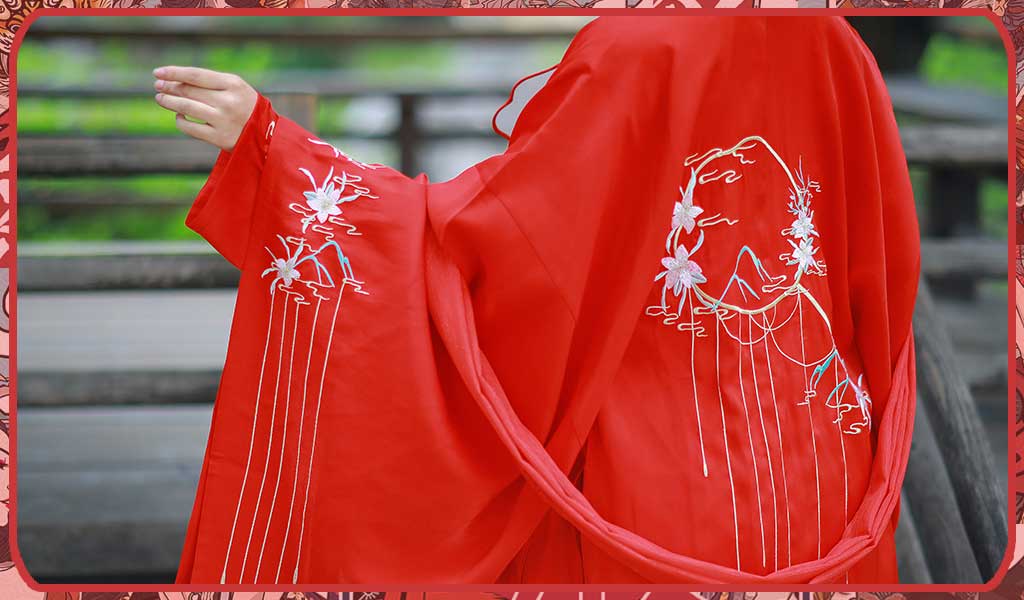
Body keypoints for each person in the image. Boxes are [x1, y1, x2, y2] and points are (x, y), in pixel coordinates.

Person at [154, 16, 920, 584]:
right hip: (824, 474)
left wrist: (276, 152)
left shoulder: (638, 48)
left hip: (649, 486)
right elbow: (882, 269)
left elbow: (499, 249)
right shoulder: (837, 45)